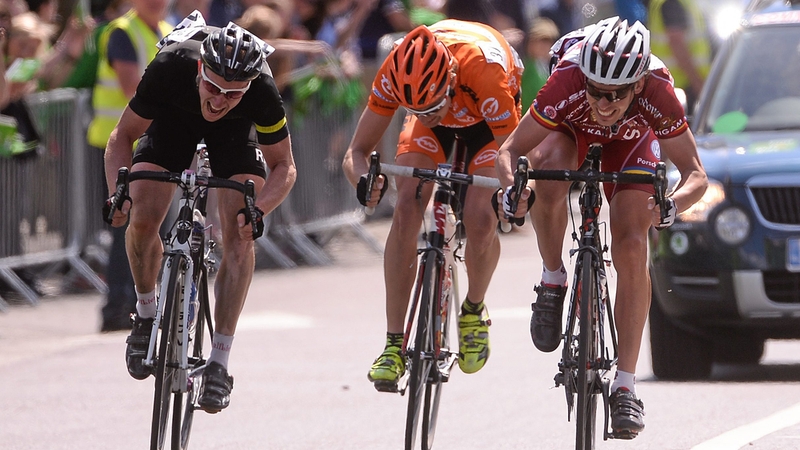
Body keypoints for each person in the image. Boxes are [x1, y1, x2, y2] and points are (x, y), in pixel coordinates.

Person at [494, 17, 707, 437]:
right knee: (546, 167)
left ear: (639, 85)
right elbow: (511, 150)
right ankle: (552, 277)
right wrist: (511, 190)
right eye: (595, 90)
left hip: (631, 144)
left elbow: (696, 176)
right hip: (572, 134)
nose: (603, 103)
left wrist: (670, 205)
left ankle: (625, 387)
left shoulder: (660, 91)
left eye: (615, 94)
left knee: (630, 244)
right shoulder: (568, 79)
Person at [104, 17, 295, 412]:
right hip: (174, 121)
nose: (219, 99)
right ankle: (145, 312)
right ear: (199, 69)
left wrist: (260, 211)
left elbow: (284, 166)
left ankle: (220, 362)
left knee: (240, 234)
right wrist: (117, 193)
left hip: (235, 135)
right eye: (213, 86)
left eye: (232, 92)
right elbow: (121, 137)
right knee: (142, 215)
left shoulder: (259, 89)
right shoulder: (171, 65)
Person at [342, 20, 523, 389]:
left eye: (432, 106)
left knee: (479, 217)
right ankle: (394, 344)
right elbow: (356, 153)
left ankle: (473, 309)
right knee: (407, 204)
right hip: (440, 118)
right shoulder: (397, 72)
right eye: (416, 109)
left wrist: (514, 195)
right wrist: (364, 181)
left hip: (489, 123)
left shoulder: (482, 71)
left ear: (451, 75)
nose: (426, 114)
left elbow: (515, 155)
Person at [87, 0, 172, 332]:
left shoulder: (169, 32)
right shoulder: (122, 31)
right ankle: (118, 307)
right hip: (120, 146)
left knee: (157, 229)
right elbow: (130, 87)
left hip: (157, 147)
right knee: (126, 224)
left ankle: (149, 303)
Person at [646, 0, 711, 115]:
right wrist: (700, 86)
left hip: (673, 86)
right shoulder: (672, 3)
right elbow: (677, 44)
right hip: (683, 88)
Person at [521, 16, 559, 112]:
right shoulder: (525, 69)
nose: (544, 46)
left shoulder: (549, 67)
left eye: (548, 41)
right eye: (540, 41)